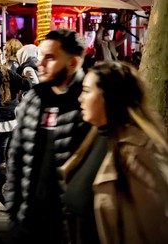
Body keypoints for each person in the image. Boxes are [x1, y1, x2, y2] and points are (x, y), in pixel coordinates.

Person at [62, 61, 168, 243]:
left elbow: (154, 227)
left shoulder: (137, 152)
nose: (80, 98)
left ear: (109, 96)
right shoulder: (95, 136)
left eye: (87, 91)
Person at [5, 28, 90, 243]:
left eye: (50, 58)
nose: (40, 64)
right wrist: (15, 210)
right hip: (29, 220)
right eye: (41, 56)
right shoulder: (35, 98)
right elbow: (16, 157)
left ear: (73, 63)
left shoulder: (86, 103)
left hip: (67, 227)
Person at [0, 49, 31, 179]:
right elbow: (27, 85)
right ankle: (1, 178)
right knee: (2, 148)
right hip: (7, 117)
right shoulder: (8, 73)